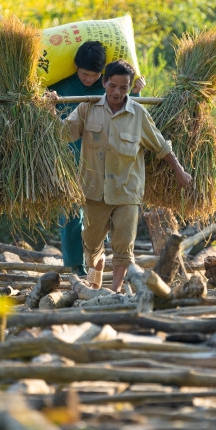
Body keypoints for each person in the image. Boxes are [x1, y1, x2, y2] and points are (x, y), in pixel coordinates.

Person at [52, 59, 192, 293]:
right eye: (113, 86)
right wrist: (49, 109)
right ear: (104, 82)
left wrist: (180, 172)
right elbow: (64, 133)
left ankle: (115, 291)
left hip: (127, 190)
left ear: (130, 87)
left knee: (123, 245)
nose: (118, 92)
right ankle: (95, 279)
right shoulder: (87, 108)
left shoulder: (138, 114)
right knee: (92, 242)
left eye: (124, 87)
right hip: (94, 190)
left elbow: (161, 147)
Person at [50, 41, 143, 275]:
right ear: (75, 67)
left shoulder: (109, 87)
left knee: (103, 219)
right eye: (84, 74)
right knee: (71, 216)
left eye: (94, 76)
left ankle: (101, 268)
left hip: (102, 166)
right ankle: (75, 268)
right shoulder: (58, 88)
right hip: (68, 162)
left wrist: (137, 92)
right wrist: (47, 102)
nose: (89, 80)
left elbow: (133, 112)